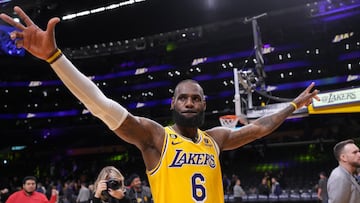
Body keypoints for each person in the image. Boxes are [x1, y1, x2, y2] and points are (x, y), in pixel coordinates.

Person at [0, 6, 320, 203]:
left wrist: (293, 105)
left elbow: (259, 128)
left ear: (204, 104)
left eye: (196, 98)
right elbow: (101, 105)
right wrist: (55, 58)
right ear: (173, 103)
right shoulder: (155, 137)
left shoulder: (216, 139)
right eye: (184, 97)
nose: (190, 102)